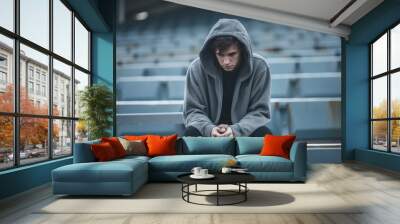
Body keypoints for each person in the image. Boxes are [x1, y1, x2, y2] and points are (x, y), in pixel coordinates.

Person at [183, 18, 272, 137]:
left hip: (245, 131)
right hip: (209, 131)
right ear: (213, 51)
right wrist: (210, 129)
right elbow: (192, 111)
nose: (226, 61)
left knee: (265, 135)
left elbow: (260, 111)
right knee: (190, 134)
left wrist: (236, 130)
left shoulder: (260, 67)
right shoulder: (196, 69)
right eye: (220, 55)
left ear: (242, 50)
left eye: (232, 54)